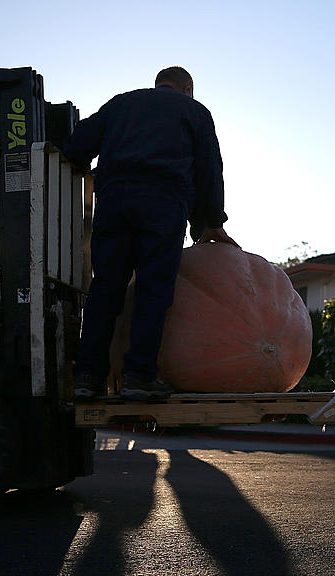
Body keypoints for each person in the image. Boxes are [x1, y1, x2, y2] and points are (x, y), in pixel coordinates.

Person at [61, 66, 238, 401]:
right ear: (188, 88)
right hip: (162, 203)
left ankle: (87, 377)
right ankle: (138, 377)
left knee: (105, 289)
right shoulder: (195, 111)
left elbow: (77, 145)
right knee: (152, 289)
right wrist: (212, 221)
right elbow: (210, 170)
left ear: (158, 84)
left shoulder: (121, 104)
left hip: (114, 201)